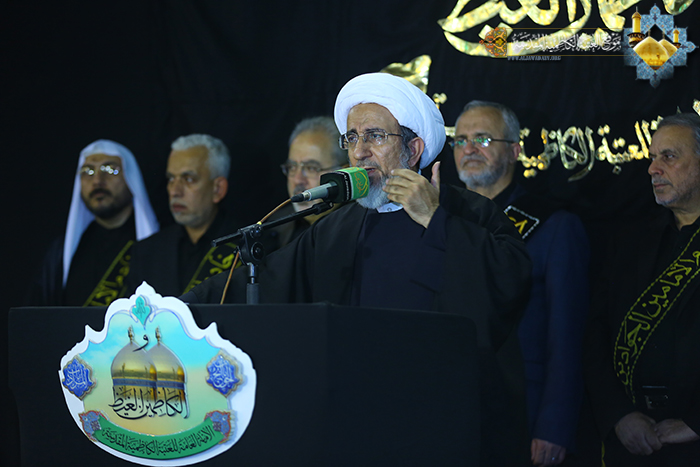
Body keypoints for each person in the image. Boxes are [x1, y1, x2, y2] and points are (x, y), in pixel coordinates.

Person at [183, 72, 533, 465]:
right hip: (358, 419)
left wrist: (435, 219)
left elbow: (508, 283)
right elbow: (270, 278)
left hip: (443, 422)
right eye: (351, 138)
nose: (360, 152)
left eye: (375, 136)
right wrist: (181, 306)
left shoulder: (468, 211)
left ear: (413, 148)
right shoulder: (339, 226)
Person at [453, 101, 590, 466]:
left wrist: (555, 424)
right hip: (451, 407)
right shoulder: (442, 219)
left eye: (483, 139)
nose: (469, 148)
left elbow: (567, 336)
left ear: (514, 150)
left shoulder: (554, 226)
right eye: (460, 140)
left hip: (521, 409)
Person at [585, 113, 700, 466]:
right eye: (652, 157)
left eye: (669, 156)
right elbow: (595, 332)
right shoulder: (629, 240)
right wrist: (618, 415)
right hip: (631, 438)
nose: (652, 169)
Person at [27, 139, 159, 306]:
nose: (97, 180)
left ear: (131, 178)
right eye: (87, 171)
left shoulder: (157, 244)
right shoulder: (61, 252)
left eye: (110, 169)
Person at [126, 134, 241, 297]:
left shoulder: (247, 246)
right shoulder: (147, 252)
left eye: (188, 179)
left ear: (218, 189)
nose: (175, 191)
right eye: (171, 179)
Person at [271, 116, 348, 247]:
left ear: (343, 173)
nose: (297, 180)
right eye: (292, 167)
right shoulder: (276, 225)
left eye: (311, 168)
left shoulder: (359, 227)